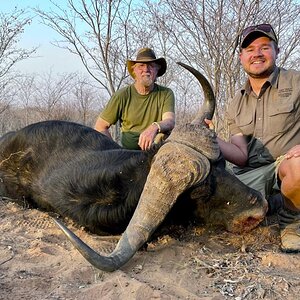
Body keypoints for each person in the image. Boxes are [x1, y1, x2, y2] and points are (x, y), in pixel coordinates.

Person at [205, 23, 300, 252]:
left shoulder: (295, 81)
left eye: (264, 47)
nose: (257, 54)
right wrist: (210, 138)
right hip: (250, 172)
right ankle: (276, 201)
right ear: (241, 57)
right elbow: (239, 155)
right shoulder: (235, 103)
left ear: (276, 51)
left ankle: (292, 224)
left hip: (285, 163)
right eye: (250, 49)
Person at [94, 47, 175, 150]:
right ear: (134, 70)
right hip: (128, 155)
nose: (146, 69)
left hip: (157, 154)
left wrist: (153, 127)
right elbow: (100, 127)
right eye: (141, 65)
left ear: (157, 69)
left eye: (151, 65)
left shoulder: (166, 93)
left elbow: (169, 121)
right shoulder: (122, 95)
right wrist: (116, 151)